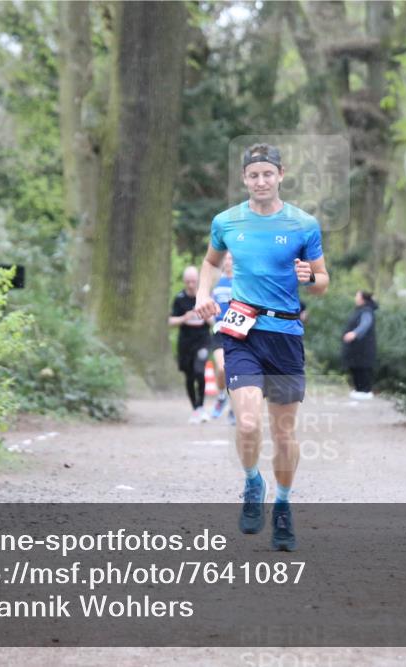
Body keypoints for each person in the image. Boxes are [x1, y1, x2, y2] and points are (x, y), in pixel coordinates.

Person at [194, 143, 329, 551]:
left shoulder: (304, 224)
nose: (261, 181)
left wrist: (311, 277)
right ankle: (253, 482)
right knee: (249, 423)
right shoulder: (227, 221)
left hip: (285, 336)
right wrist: (204, 293)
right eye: (253, 175)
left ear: (281, 175)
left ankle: (283, 505)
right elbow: (211, 262)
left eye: (267, 174)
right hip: (241, 331)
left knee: (284, 432)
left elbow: (322, 281)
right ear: (244, 179)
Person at [169, 266, 214, 424]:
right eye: (188, 282)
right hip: (185, 342)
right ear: (184, 282)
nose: (190, 285)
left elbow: (215, 320)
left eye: (193, 281)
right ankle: (195, 408)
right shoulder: (179, 298)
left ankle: (201, 407)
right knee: (189, 375)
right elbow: (170, 320)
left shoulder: (205, 298)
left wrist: (207, 317)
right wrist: (184, 318)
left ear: (198, 281)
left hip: (202, 340)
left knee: (199, 370)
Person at [209, 252, 235, 425]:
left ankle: (234, 408)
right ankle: (220, 397)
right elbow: (209, 304)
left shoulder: (242, 281)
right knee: (221, 368)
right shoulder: (216, 282)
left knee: (236, 372)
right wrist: (211, 319)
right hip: (219, 330)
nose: (228, 262)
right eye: (225, 259)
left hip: (237, 331)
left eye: (231, 258)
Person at [342, 290, 378, 400]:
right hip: (356, 347)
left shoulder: (367, 311)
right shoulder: (359, 310)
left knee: (363, 368)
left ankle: (365, 390)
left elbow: (365, 324)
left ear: (363, 299)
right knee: (355, 367)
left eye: (357, 296)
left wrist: (355, 333)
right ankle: (358, 389)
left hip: (364, 347)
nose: (355, 298)